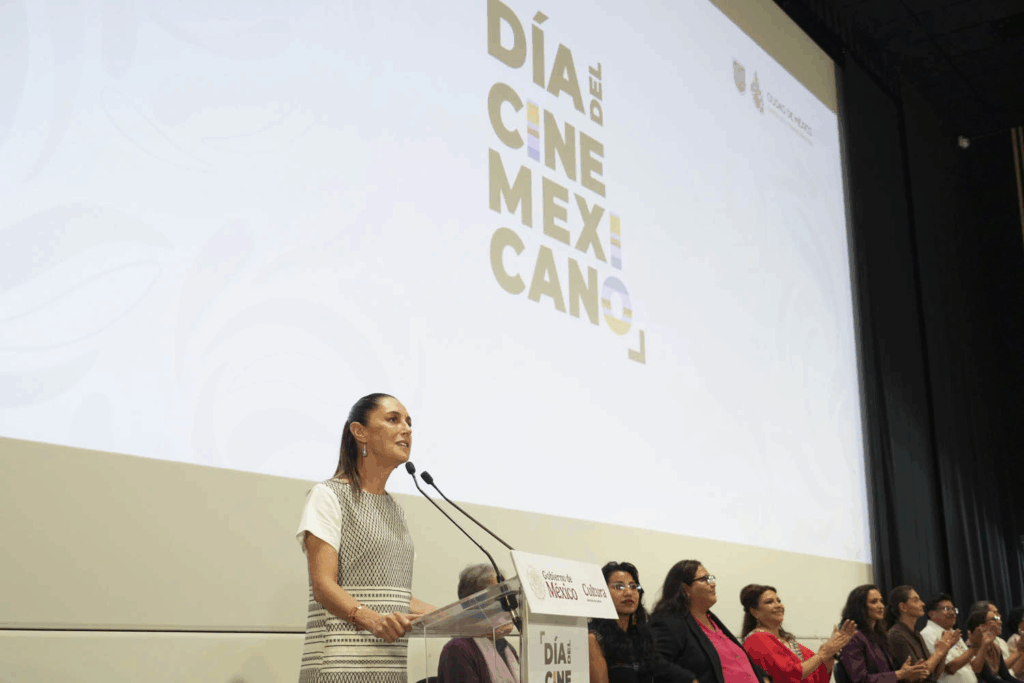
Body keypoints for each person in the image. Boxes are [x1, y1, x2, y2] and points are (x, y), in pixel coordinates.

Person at [295, 393, 436, 683]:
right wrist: (372, 619)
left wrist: (464, 617)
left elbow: (396, 597)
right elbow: (323, 585)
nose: (407, 429)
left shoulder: (395, 509)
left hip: (389, 669)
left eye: (409, 422)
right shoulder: (328, 495)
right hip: (338, 668)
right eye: (393, 419)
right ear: (360, 432)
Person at [650, 560, 770, 683]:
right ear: (685, 588)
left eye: (710, 578)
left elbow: (735, 660)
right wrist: (689, 680)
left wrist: (762, 676)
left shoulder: (713, 620)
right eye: (704, 579)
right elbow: (654, 661)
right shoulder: (670, 621)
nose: (712, 584)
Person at [739, 583, 856, 683]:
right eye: (769, 602)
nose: (778, 605)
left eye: (779, 601)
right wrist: (823, 653)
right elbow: (790, 675)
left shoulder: (788, 640)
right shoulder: (756, 639)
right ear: (754, 612)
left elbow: (819, 677)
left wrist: (831, 652)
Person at [438, 564, 520, 683]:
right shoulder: (458, 650)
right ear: (476, 605)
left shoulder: (506, 647)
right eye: (502, 599)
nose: (510, 605)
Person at [837, 584, 931, 683]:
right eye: (874, 602)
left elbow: (887, 675)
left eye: (881, 601)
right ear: (860, 607)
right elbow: (861, 680)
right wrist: (900, 674)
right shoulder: (853, 638)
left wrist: (906, 674)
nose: (881, 606)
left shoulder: (878, 636)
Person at [588, 561, 664, 683]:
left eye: (633, 587)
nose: (628, 592)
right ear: (602, 592)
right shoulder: (594, 638)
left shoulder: (642, 635)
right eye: (619, 587)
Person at [885, 586, 960, 683]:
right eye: (916, 600)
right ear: (903, 607)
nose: (922, 603)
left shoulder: (916, 634)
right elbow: (918, 674)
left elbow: (934, 676)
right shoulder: (896, 635)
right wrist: (939, 651)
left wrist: (945, 650)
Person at [919, 593, 990, 683]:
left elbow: (975, 668)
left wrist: (980, 645)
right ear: (931, 614)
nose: (952, 613)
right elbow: (949, 668)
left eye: (953, 609)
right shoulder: (928, 634)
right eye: (946, 609)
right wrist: (973, 648)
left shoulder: (953, 632)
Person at [965, 608, 1018, 683]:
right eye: (995, 619)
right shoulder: (973, 647)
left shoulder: (995, 647)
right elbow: (989, 679)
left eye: (998, 618)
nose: (1000, 622)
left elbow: (1006, 676)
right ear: (981, 626)